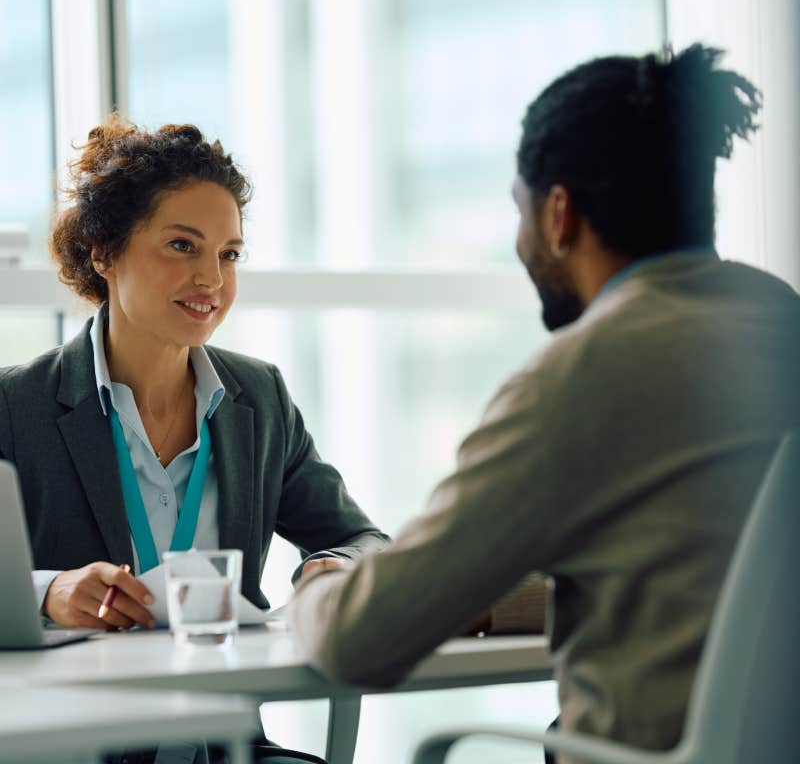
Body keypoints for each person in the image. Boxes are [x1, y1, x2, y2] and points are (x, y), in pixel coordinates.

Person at [289, 44, 800, 763]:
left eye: (519, 211)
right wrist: (491, 595)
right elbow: (701, 570)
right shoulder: (779, 319)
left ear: (559, 215)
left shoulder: (584, 373)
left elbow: (358, 643)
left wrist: (319, 585)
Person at [0, 116, 388, 764]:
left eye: (229, 253)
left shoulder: (258, 400)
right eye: (183, 246)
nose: (212, 278)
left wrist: (332, 568)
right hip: (78, 752)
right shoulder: (17, 406)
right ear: (103, 250)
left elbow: (361, 538)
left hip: (229, 750)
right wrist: (50, 593)